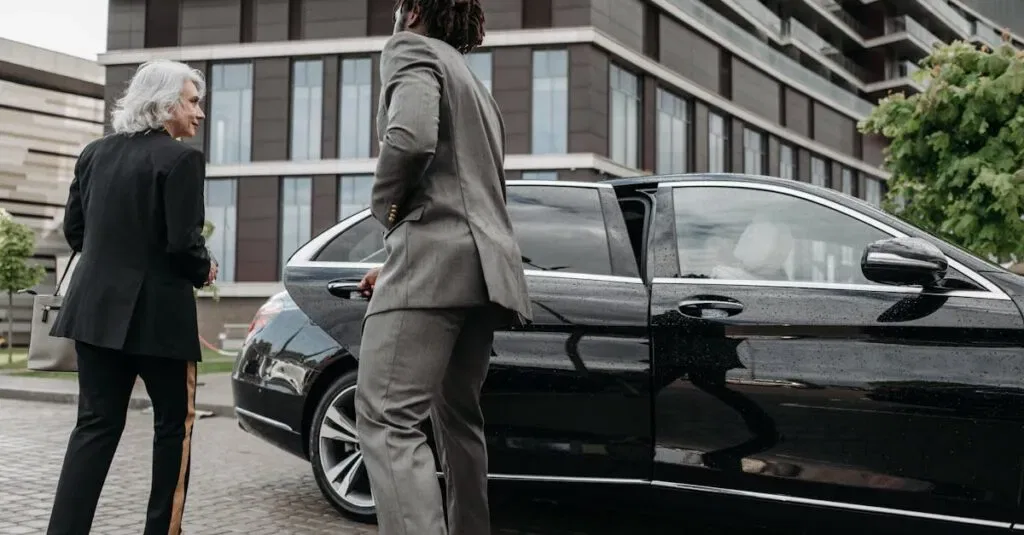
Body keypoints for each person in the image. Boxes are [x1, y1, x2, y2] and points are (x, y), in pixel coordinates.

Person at [353, 1, 532, 534]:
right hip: (484, 277)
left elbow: (410, 138)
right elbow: (474, 194)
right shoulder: (476, 86)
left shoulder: (409, 49)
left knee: (386, 419)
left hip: (433, 264)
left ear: (411, 13)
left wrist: (386, 214)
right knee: (458, 423)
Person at [46, 59, 216, 535]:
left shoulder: (93, 153)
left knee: (94, 429)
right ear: (165, 105)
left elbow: (75, 232)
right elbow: (183, 245)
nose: (198, 113)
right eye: (192, 100)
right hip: (159, 322)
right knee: (172, 431)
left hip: (94, 316)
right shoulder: (182, 160)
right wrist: (205, 268)